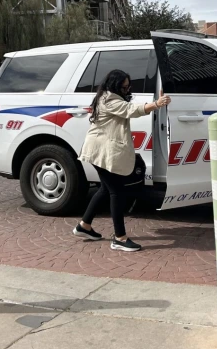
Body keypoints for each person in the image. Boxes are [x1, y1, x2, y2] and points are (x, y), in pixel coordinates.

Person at [73, 69, 171, 252]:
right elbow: (130, 110)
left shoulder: (108, 96)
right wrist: (157, 104)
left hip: (99, 151)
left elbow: (130, 106)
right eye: (124, 86)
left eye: (128, 86)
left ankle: (84, 226)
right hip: (101, 152)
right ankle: (119, 238)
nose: (127, 89)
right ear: (115, 85)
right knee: (116, 192)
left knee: (105, 189)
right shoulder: (109, 99)